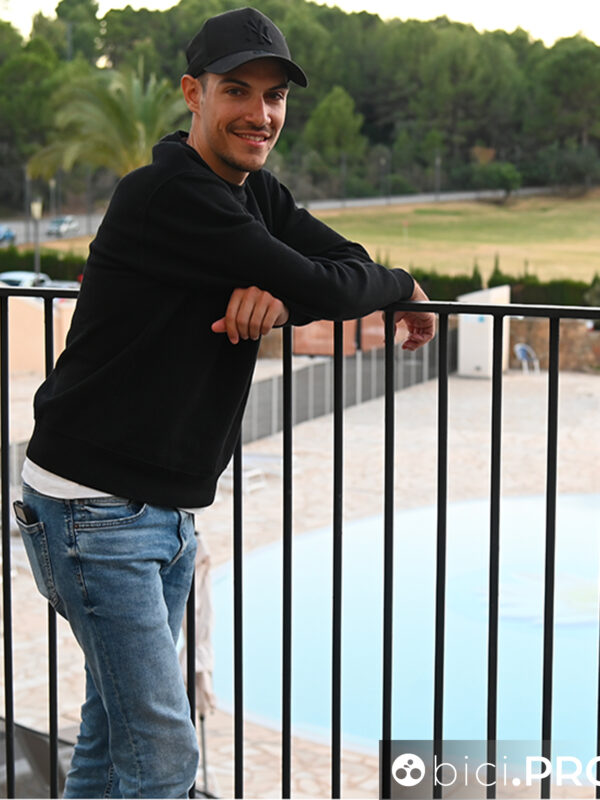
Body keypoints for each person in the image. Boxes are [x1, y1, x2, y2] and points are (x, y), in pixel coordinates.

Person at [13, 6, 436, 798]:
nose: (260, 113)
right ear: (192, 94)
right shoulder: (170, 193)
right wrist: (400, 284)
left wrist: (282, 297)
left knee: (110, 741)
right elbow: (326, 283)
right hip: (93, 510)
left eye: (275, 96)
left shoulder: (253, 193)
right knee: (165, 758)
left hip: (160, 510)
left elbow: (340, 261)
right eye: (237, 90)